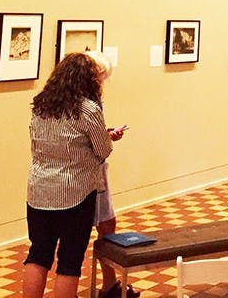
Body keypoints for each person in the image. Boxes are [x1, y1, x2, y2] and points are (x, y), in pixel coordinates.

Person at [23, 53, 113, 298]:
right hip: (76, 192)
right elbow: (103, 149)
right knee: (70, 259)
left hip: (39, 189)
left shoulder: (41, 106)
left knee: (38, 254)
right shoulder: (88, 109)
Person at [83, 52, 138, 298]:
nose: (102, 83)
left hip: (90, 172)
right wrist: (106, 139)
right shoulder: (89, 105)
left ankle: (109, 283)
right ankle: (105, 285)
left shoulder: (63, 101)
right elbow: (96, 146)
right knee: (98, 228)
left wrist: (106, 134)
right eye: (101, 77)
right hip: (89, 175)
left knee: (106, 226)